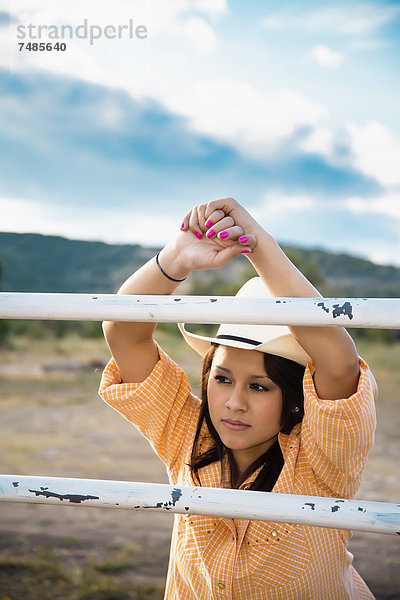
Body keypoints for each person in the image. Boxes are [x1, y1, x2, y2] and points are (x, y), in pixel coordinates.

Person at [99, 197, 377, 599]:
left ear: (296, 396)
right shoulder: (186, 436)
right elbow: (123, 332)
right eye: (223, 379)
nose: (234, 403)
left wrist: (255, 243)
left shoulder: (321, 462)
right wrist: (175, 258)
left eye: (260, 386)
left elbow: (338, 363)